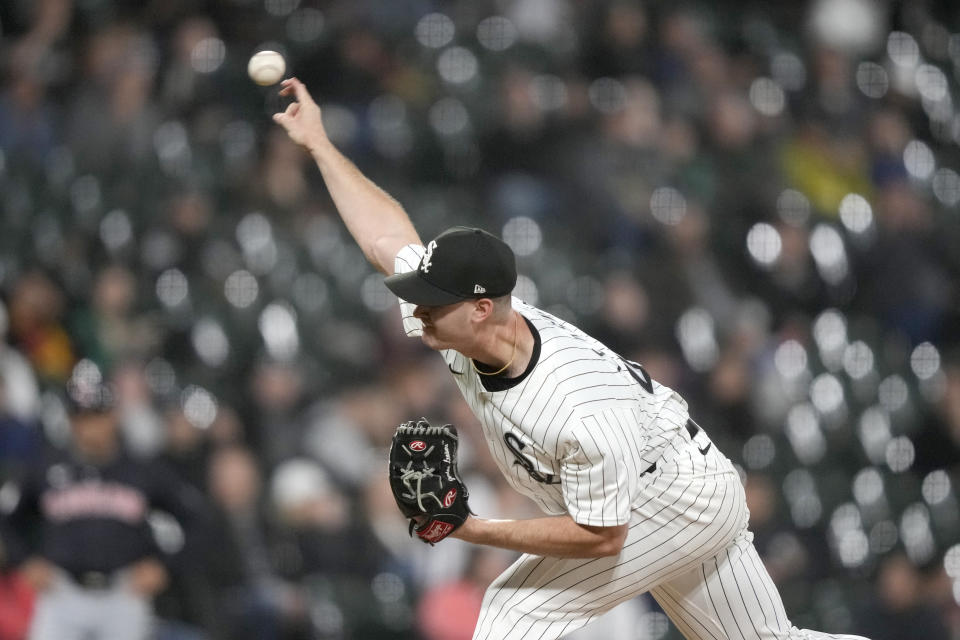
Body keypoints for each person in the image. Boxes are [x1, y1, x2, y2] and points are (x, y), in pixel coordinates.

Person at [273, 77, 873, 640]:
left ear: (482, 308)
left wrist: (471, 526)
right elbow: (386, 241)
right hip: (674, 480)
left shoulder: (572, 405)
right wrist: (321, 144)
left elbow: (602, 536)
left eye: (434, 300)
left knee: (515, 612)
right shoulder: (468, 331)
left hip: (664, 501)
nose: (418, 310)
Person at [0, 364, 206, 640]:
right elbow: (6, 518)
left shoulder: (141, 468)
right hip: (62, 592)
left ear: (114, 414)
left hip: (123, 592)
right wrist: (24, 561)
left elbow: (196, 519)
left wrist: (164, 566)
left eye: (97, 414)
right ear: (71, 420)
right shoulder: (45, 465)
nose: (89, 426)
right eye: (81, 416)